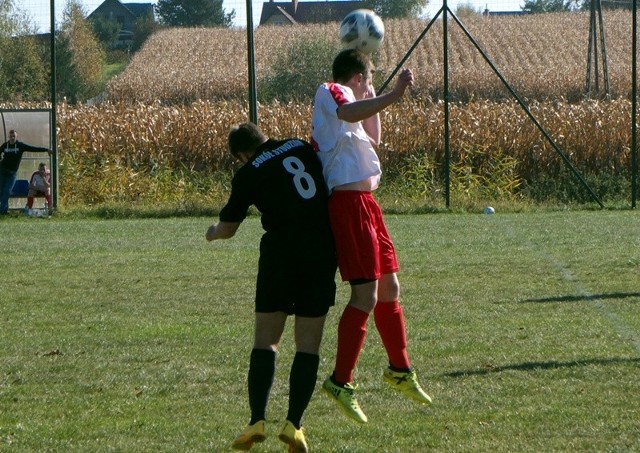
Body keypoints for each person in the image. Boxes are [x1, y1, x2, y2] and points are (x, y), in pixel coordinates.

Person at [311, 48, 432, 424]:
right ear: (356, 78)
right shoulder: (330, 90)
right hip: (347, 207)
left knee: (390, 289)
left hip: (368, 206)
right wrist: (393, 95)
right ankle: (340, 381)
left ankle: (399, 370)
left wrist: (376, 95)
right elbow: (348, 111)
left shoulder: (357, 102)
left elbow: (373, 137)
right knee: (365, 295)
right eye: (368, 77)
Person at [205, 122, 337, 452]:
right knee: (308, 344)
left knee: (266, 340)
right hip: (321, 250)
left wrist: (212, 232)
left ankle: (257, 421)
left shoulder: (250, 170)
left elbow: (229, 228)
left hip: (281, 254)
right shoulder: (298, 146)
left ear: (242, 154)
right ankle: (294, 424)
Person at [0, 129, 51, 215]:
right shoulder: (5, 145)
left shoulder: (20, 146)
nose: (12, 138)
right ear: (9, 137)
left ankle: (2, 211)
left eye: (14, 136)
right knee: (1, 191)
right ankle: (4, 210)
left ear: (16, 137)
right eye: (11, 136)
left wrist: (46, 150)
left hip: (12, 174)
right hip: (2, 171)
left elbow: (33, 148)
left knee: (7, 191)